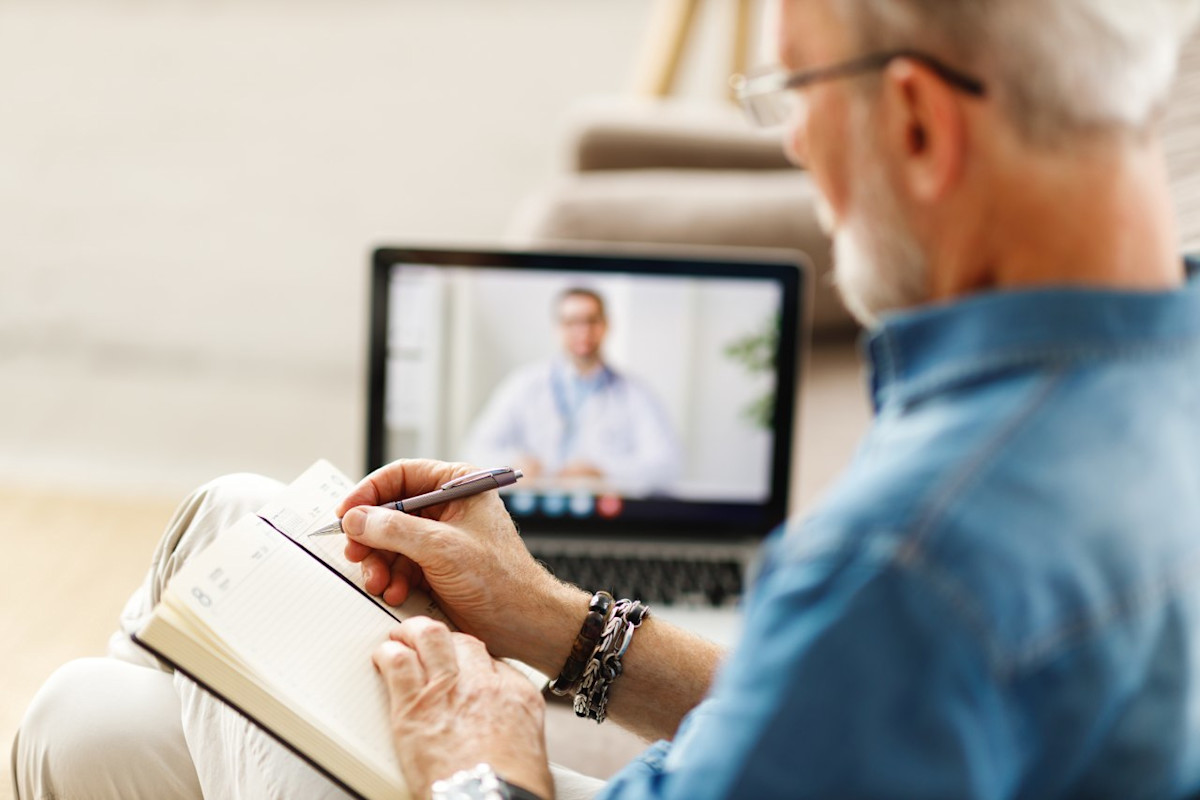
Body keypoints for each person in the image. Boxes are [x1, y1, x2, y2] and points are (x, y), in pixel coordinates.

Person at [15, 0, 1200, 798]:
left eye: (797, 91)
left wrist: (483, 764)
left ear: (917, 122)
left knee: (179, 612)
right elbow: (842, 717)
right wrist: (555, 619)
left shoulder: (908, 558)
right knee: (104, 700)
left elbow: (876, 646)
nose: (794, 144)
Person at [462, 287, 682, 495]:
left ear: (605, 325)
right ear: (557, 328)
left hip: (603, 514)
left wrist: (603, 471)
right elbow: (475, 450)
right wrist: (515, 464)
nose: (583, 331)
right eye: (572, 322)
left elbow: (666, 466)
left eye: (591, 321)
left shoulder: (636, 395)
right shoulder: (524, 385)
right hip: (531, 510)